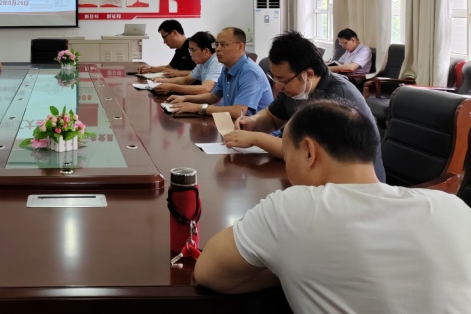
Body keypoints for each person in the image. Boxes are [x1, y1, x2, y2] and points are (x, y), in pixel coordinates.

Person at [194, 101, 471, 313]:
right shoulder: (452, 207)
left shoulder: (293, 209)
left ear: (309, 152)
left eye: (287, 155)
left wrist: (290, 263)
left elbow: (208, 273)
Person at [222, 31, 386, 182]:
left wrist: (254, 138)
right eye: (276, 79)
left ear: (308, 74)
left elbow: (302, 152)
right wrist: (253, 121)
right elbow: (272, 117)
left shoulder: (336, 98)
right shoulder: (295, 89)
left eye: (282, 80)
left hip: (354, 187)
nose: (278, 86)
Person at [166, 27, 272, 119]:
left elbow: (238, 112)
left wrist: (200, 107)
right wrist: (185, 98)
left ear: (240, 46)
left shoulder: (249, 72)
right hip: (234, 126)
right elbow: (213, 97)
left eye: (223, 45)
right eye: (216, 44)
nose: (217, 49)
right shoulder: (226, 68)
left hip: (257, 131)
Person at [152, 32, 223, 96]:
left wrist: (172, 87)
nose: (190, 54)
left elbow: (205, 89)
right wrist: (163, 80)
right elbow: (186, 80)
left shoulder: (217, 62)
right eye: (190, 50)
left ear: (206, 51)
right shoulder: (202, 63)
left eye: (192, 50)